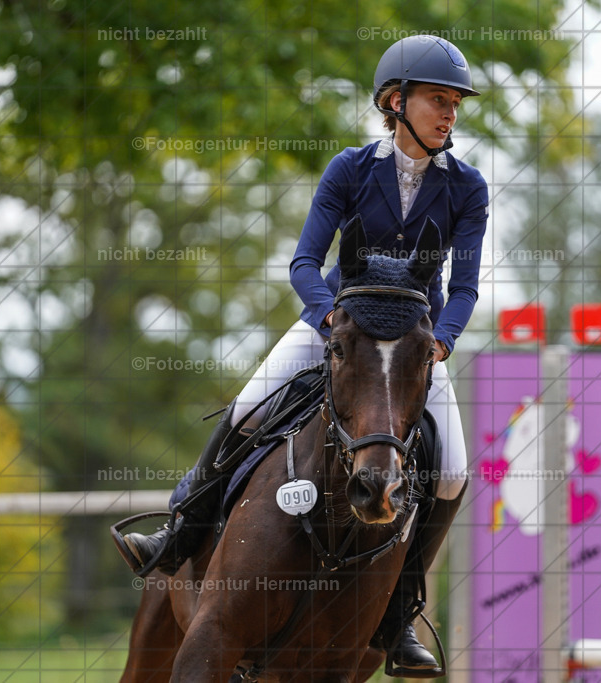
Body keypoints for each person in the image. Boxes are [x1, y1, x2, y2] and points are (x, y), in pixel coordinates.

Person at [111, 34, 488, 675]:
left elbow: (467, 288)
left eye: (454, 103)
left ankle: (399, 610)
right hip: (338, 324)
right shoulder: (349, 169)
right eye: (436, 100)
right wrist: (327, 318)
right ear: (395, 102)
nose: (449, 114)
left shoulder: (467, 187)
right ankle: (179, 529)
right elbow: (304, 263)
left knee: (451, 471)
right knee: (248, 407)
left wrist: (444, 338)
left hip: (415, 343)